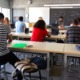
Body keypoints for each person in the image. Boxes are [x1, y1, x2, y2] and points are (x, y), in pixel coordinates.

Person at [0, 13, 23, 80]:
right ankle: (19, 78)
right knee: (18, 63)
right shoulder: (6, 26)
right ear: (3, 19)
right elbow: (10, 40)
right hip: (4, 55)